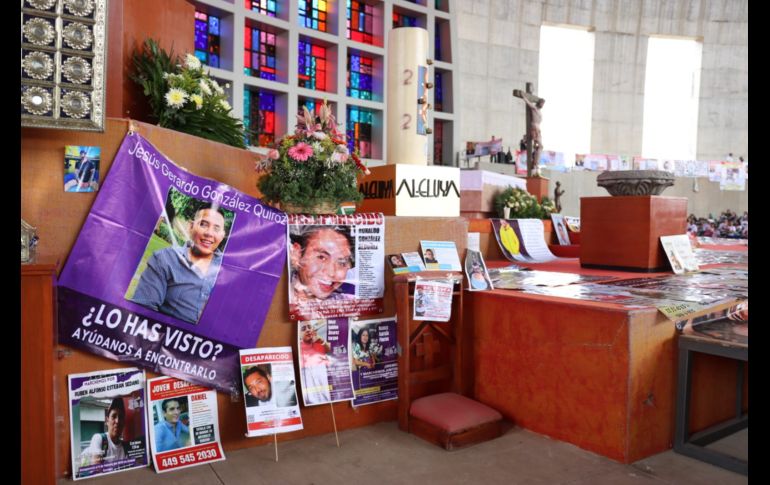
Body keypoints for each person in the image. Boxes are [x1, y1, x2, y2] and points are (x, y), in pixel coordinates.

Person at [131, 205, 227, 324]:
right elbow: (143, 311)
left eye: (216, 228)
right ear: (191, 227)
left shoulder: (229, 270)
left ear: (222, 236)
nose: (209, 233)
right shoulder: (164, 259)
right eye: (203, 224)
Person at [289, 225, 356, 302]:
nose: (331, 273)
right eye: (321, 257)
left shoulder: (350, 302)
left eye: (342, 263)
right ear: (297, 253)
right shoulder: (280, 294)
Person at [78, 397, 127, 468]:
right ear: (107, 421)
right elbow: (97, 470)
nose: (117, 421)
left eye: (120, 417)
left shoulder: (125, 448)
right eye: (114, 416)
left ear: (124, 423)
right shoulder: (99, 439)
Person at [299, 321, 332, 404]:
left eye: (309, 327)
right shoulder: (299, 347)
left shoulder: (319, 342)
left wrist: (321, 340)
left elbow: (331, 350)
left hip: (325, 395)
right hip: (310, 398)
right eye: (303, 328)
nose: (307, 330)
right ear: (299, 334)